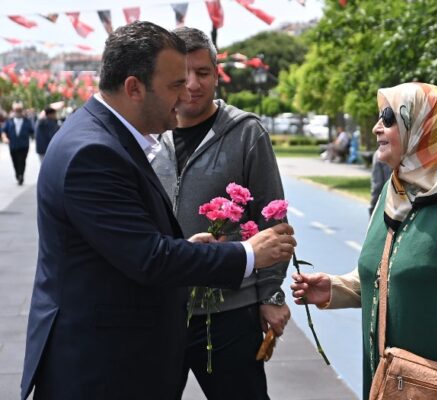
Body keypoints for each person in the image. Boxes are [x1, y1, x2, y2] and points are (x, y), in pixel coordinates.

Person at [22, 21, 297, 400]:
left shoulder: (107, 136)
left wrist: (262, 287)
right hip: (103, 361)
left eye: (199, 75)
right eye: (175, 84)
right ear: (134, 87)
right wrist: (248, 253)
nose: (186, 92)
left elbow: (135, 241)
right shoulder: (95, 151)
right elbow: (149, 258)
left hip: (190, 323)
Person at [292, 82, 437, 400]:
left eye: (387, 118)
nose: (376, 128)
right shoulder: (396, 191)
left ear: (422, 126)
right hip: (393, 386)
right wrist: (337, 288)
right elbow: (392, 267)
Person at [150, 26, 289, 400]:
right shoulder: (147, 135)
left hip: (231, 310)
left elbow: (273, 219)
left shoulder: (246, 133)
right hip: (160, 310)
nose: (193, 85)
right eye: (183, 75)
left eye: (203, 73)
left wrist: (271, 294)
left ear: (217, 72)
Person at [1, 102, 34, 185]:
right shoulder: (9, 121)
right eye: (16, 110)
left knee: (22, 161)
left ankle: (21, 175)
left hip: (24, 145)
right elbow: (3, 131)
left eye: (20, 110)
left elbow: (32, 131)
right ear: (13, 111)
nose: (18, 112)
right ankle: (17, 174)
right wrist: (4, 137)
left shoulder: (27, 121)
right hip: (13, 145)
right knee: (15, 161)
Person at [368, 149, 391, 216]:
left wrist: (373, 205)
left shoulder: (379, 154)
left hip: (386, 201)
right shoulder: (405, 152)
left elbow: (377, 185)